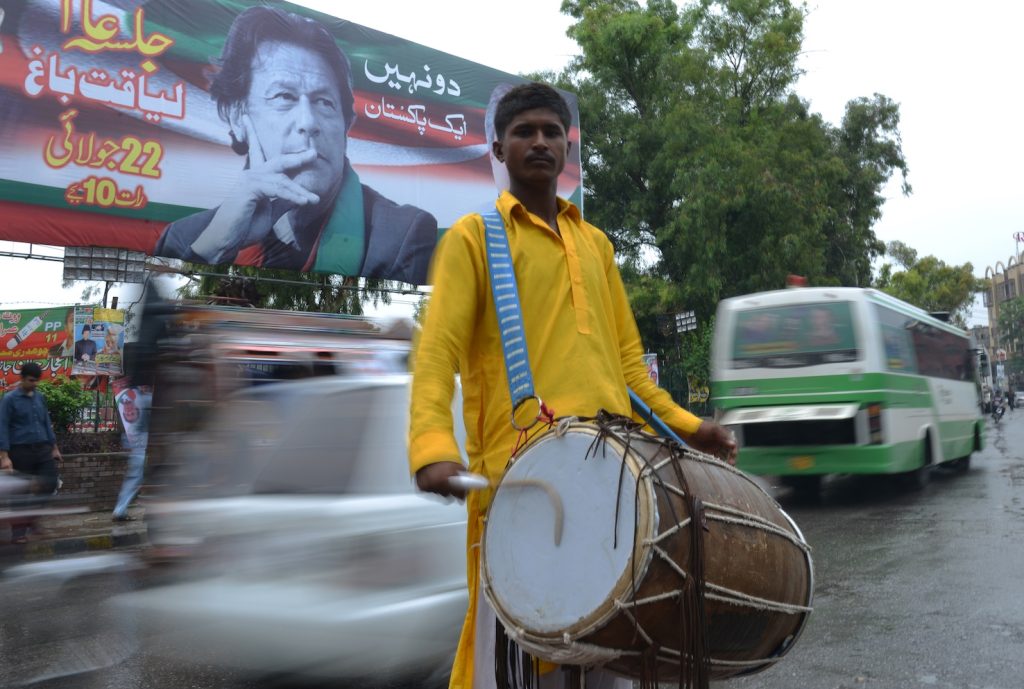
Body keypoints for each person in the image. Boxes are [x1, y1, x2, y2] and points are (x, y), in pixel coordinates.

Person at [408, 83, 737, 689]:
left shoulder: (597, 245)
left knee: (613, 659)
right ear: (498, 150)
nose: (539, 142)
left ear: (567, 149)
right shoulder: (472, 239)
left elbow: (629, 369)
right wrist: (432, 446)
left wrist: (692, 428)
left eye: (551, 132)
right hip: (521, 488)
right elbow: (437, 352)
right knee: (521, 666)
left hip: (614, 486)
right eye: (524, 132)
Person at [153, 6, 438, 285]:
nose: (308, 122)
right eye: (284, 97)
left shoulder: (400, 236)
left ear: (346, 125)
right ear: (237, 116)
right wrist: (213, 250)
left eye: (324, 102)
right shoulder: (189, 238)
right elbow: (164, 309)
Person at [0, 362, 62, 544]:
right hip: (20, 450)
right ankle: (18, 534)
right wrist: (4, 456)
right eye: (31, 380)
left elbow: (46, 422)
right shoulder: (10, 399)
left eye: (37, 381)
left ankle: (31, 519)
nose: (34, 384)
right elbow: (2, 427)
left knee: (51, 483)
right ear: (22, 379)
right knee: (20, 492)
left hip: (42, 449)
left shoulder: (39, 397)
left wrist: (54, 447)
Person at [112, 385, 151, 522]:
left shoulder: (134, 398)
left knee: (133, 479)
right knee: (139, 479)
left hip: (136, 444)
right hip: (144, 444)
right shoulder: (148, 399)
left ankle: (120, 510)